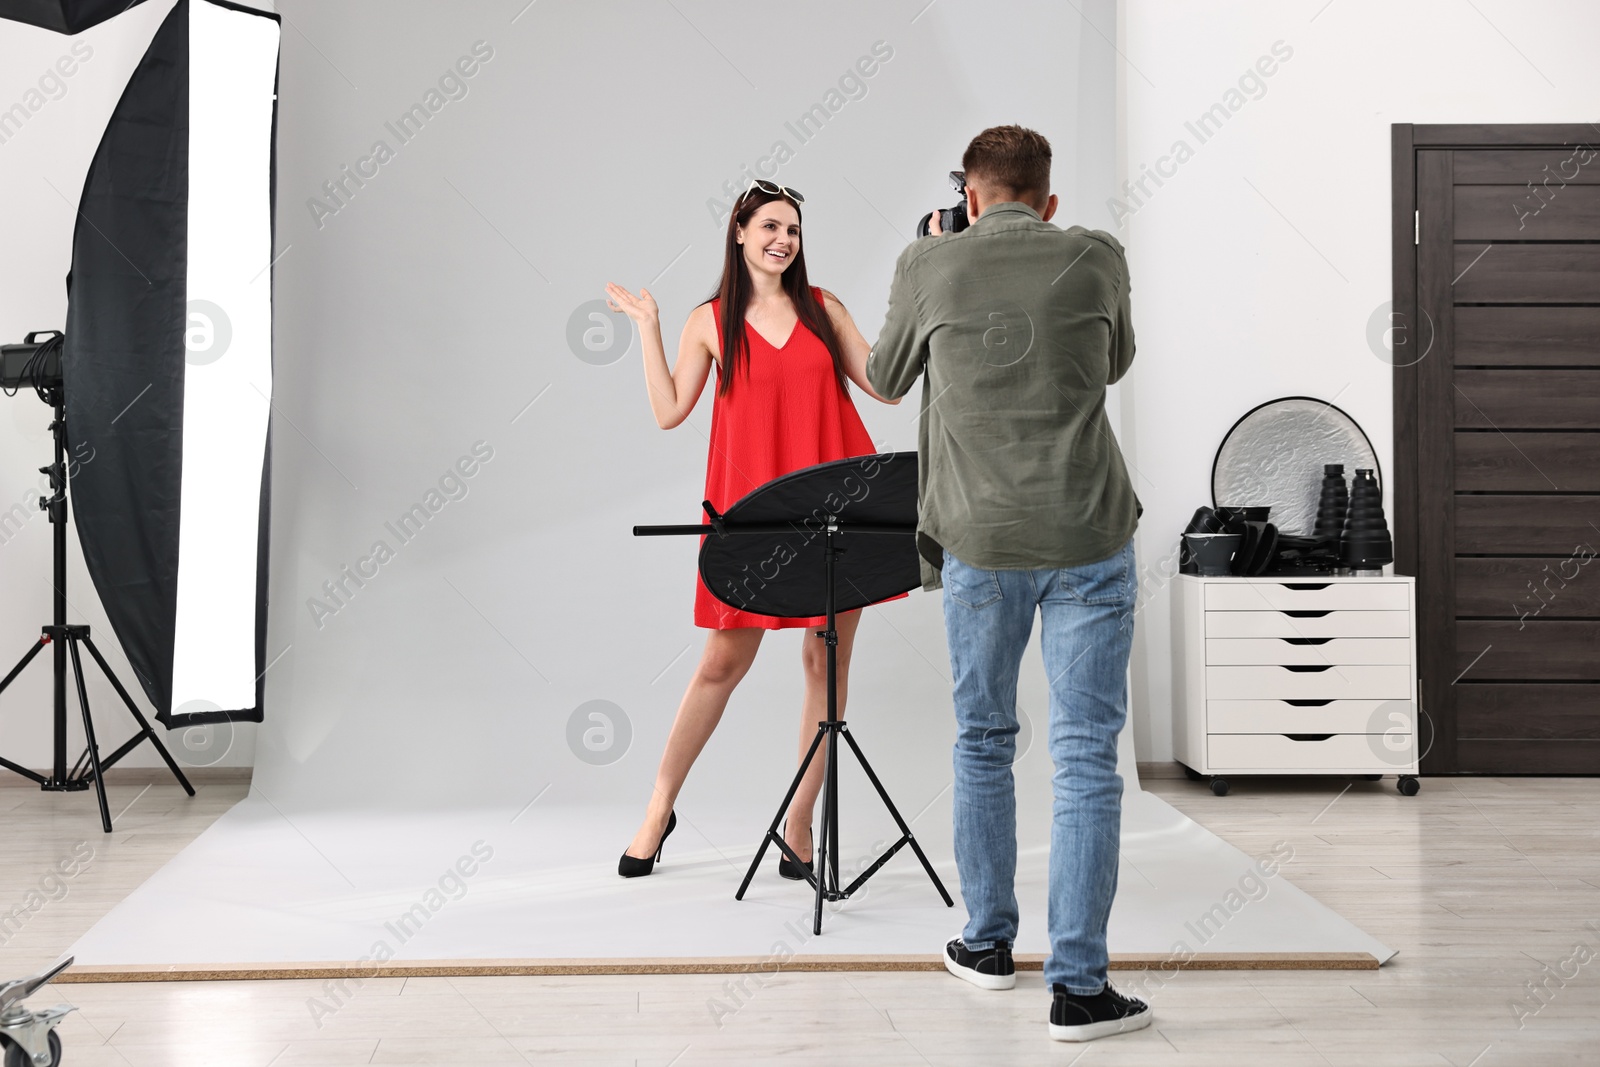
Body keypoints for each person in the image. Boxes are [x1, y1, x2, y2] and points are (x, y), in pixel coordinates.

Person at [866, 125, 1149, 1043]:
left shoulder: (927, 262)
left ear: (972, 196)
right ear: (1049, 199)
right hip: (1087, 532)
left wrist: (937, 257)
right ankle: (1080, 988)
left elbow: (883, 374)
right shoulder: (1098, 255)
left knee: (984, 738)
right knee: (1085, 757)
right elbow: (1113, 362)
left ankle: (987, 945)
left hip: (981, 542)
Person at [604, 180, 901, 881]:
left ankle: (799, 824)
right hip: (754, 516)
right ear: (738, 232)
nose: (783, 239)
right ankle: (659, 807)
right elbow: (670, 409)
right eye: (770, 225)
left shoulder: (824, 309)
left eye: (793, 229)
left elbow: (884, 385)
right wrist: (647, 328)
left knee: (825, 665)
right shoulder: (709, 321)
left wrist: (925, 291)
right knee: (720, 663)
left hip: (837, 509)